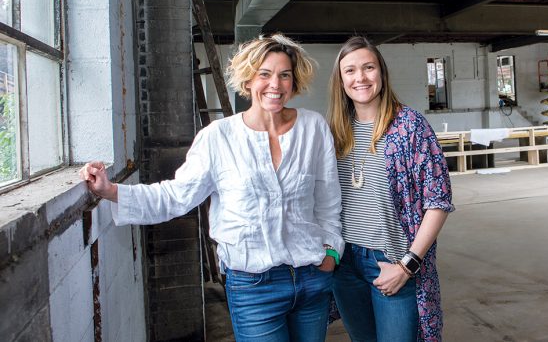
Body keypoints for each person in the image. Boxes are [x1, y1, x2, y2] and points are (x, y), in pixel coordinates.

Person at [79, 34, 344, 342]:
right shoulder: (218, 137)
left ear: (294, 81)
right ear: (248, 80)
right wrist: (113, 191)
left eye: (285, 75)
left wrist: (332, 254)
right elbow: (176, 196)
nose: (276, 84)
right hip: (253, 287)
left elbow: (328, 202)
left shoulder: (313, 128)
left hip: (312, 277)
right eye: (265, 74)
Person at [326, 36, 454, 342]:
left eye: (369, 67)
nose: (360, 78)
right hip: (344, 265)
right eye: (350, 70)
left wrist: (408, 265)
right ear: (340, 80)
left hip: (391, 262)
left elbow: (438, 201)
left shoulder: (409, 126)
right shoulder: (334, 130)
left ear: (381, 72)